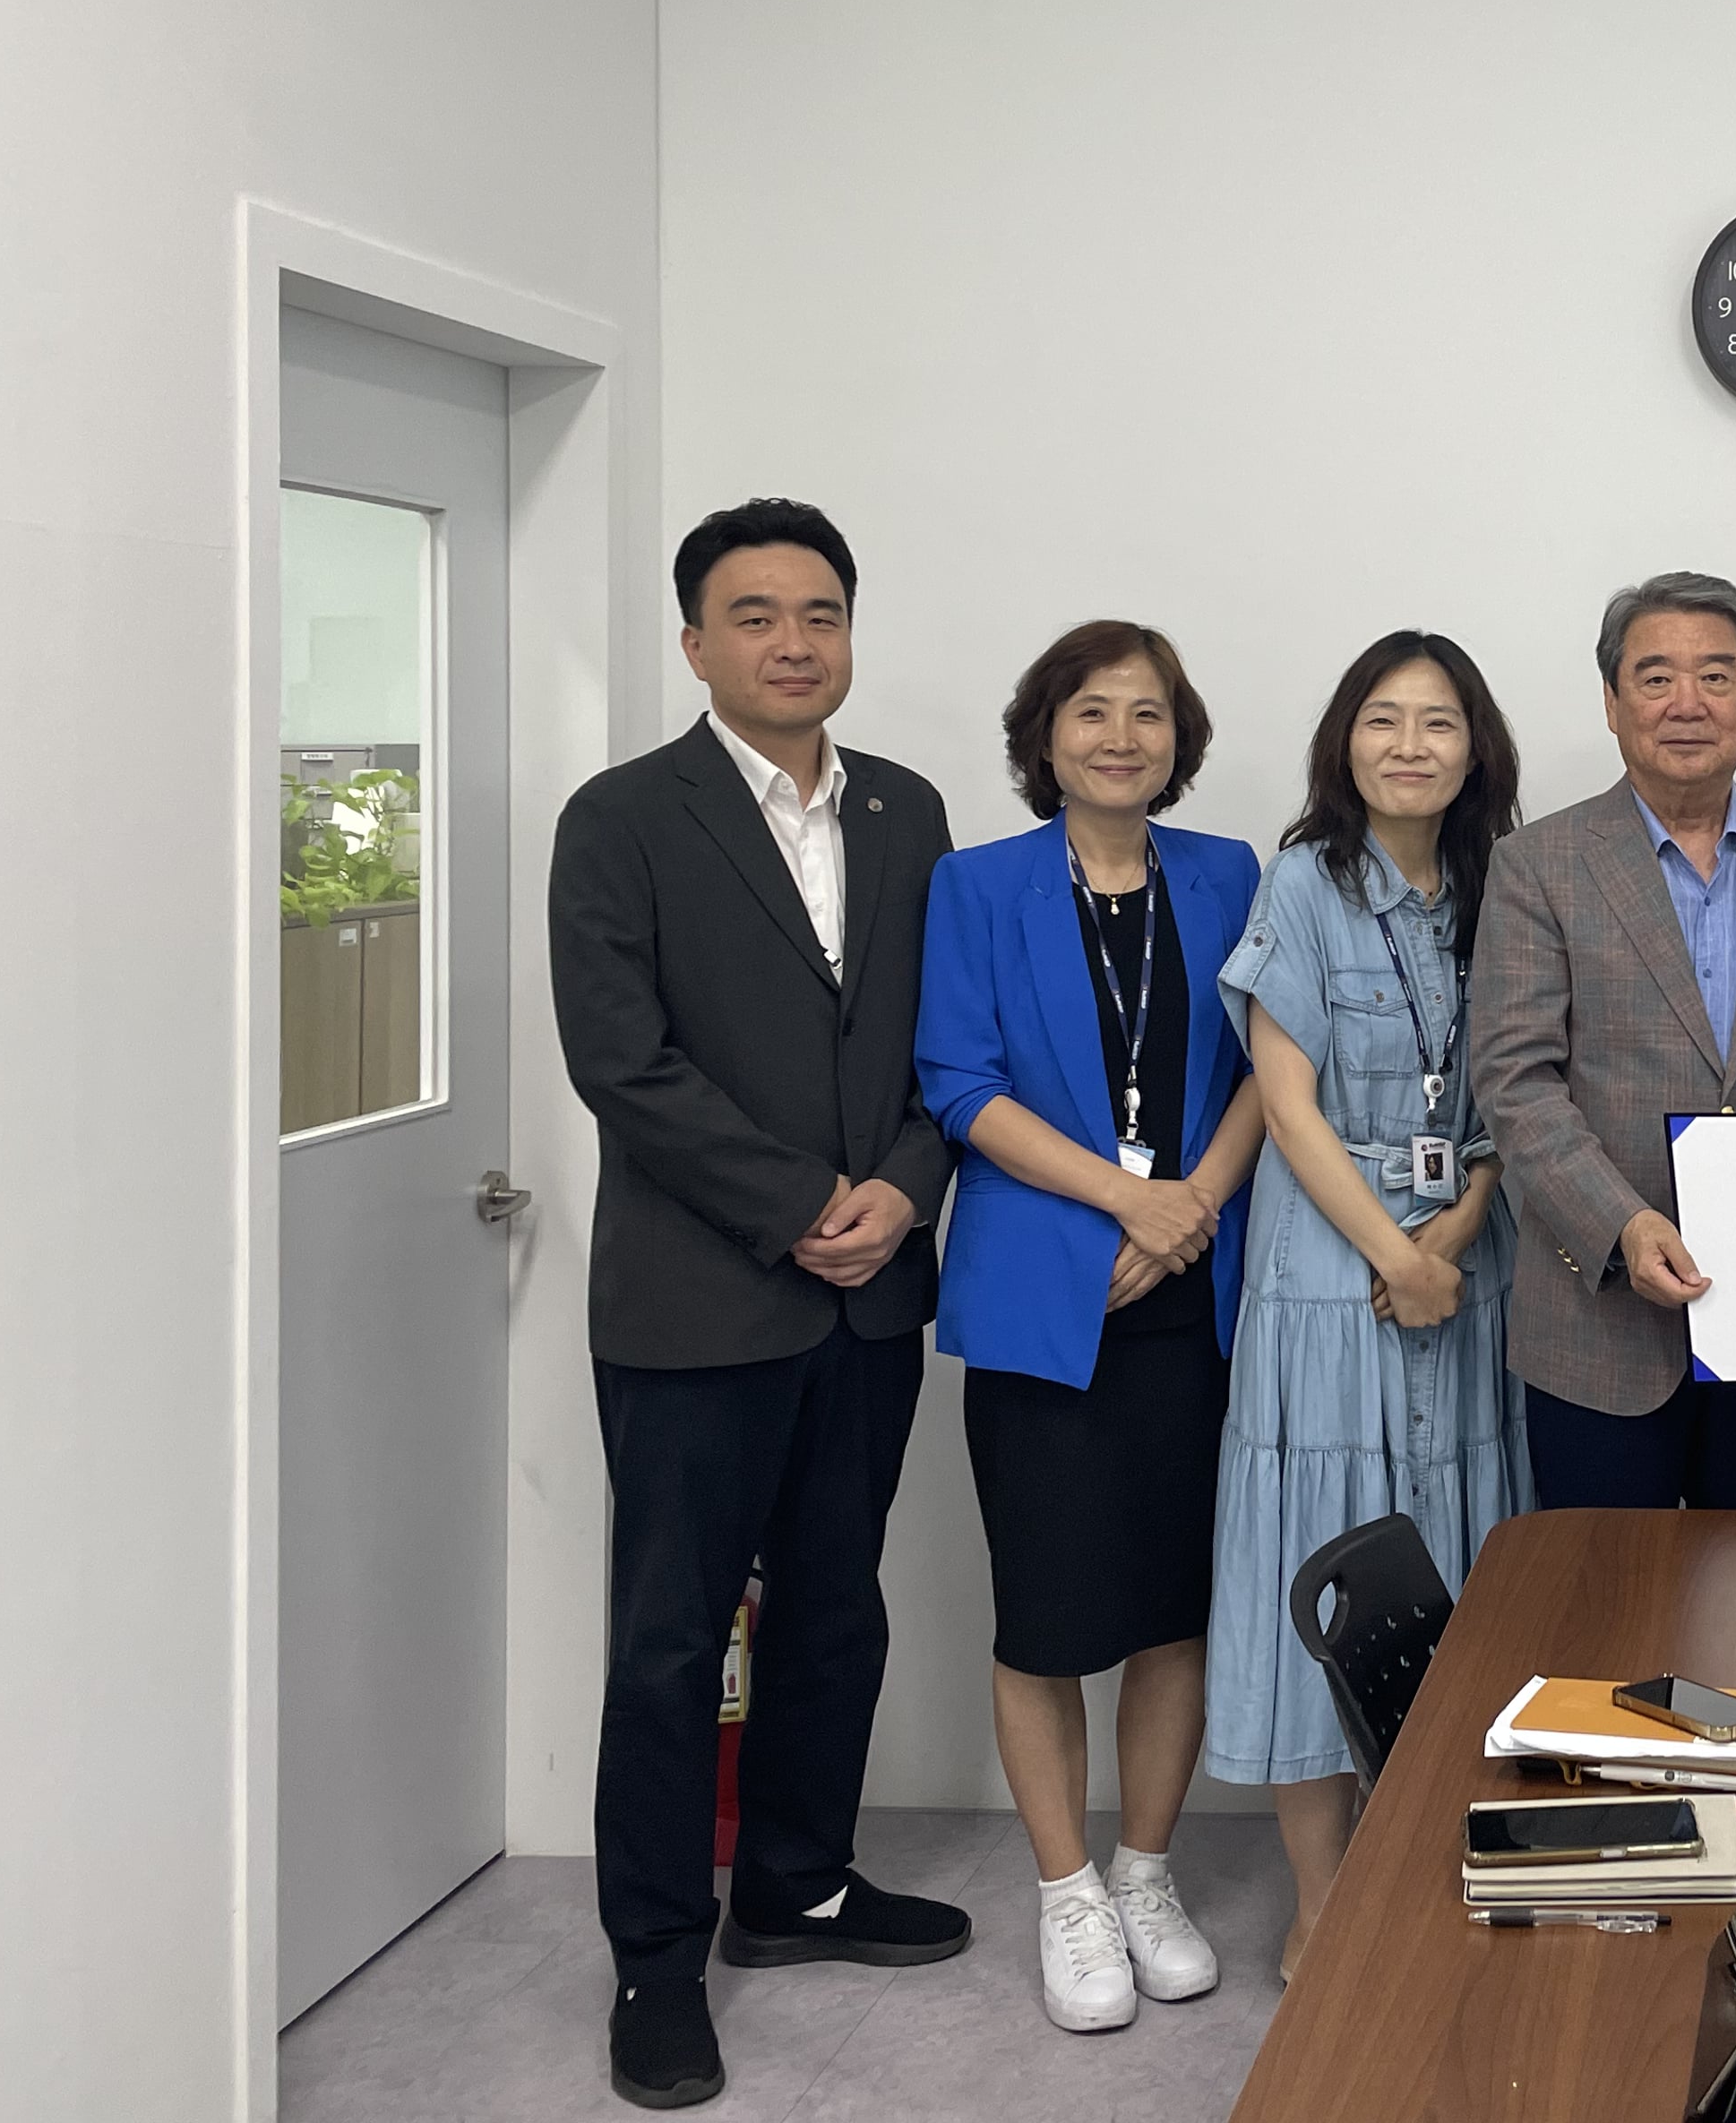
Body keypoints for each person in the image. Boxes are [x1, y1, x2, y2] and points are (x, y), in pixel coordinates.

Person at [548, 497, 969, 2113]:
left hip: (871, 1297)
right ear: (694, 641)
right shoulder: (623, 816)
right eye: (755, 614)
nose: (794, 641)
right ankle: (656, 1954)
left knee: (834, 1603)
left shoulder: (916, 810)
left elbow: (953, 1041)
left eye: (820, 612)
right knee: (667, 1640)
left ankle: (794, 1880)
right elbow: (619, 1057)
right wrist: (800, 1204)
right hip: (695, 1299)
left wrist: (908, 1184)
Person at [915, 622, 1267, 2035]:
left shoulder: (1229, 874)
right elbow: (960, 1083)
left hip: (1192, 1292)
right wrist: (1128, 1208)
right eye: (1090, 712)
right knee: (1049, 1615)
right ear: (1043, 734)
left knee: (1175, 1607)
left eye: (1148, 715)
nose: (1121, 738)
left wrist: (1186, 1212)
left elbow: (1269, 1065)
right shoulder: (976, 885)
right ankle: (1064, 1890)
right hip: (1039, 1292)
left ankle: (1145, 1873)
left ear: (1179, 739)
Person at [1204, 632, 1534, 1977]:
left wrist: (1456, 1223)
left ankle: (1446, 1860)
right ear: (1346, 742)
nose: (1410, 745)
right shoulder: (1304, 883)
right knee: (1326, 1560)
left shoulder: (1511, 888)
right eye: (1383, 720)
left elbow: (1522, 1075)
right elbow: (1286, 1105)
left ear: (1476, 747)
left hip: (1471, 1261)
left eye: (1439, 722)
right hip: (1330, 1279)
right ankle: (1323, 1899)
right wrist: (1395, 1256)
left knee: (1463, 1557)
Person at [1465, 572, 1736, 1511]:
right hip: (1600, 1323)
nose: (1688, 704)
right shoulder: (1539, 864)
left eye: (1716, 676)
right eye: (1657, 677)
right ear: (1613, 700)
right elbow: (1514, 1080)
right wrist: (1621, 1226)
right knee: (1602, 1612)